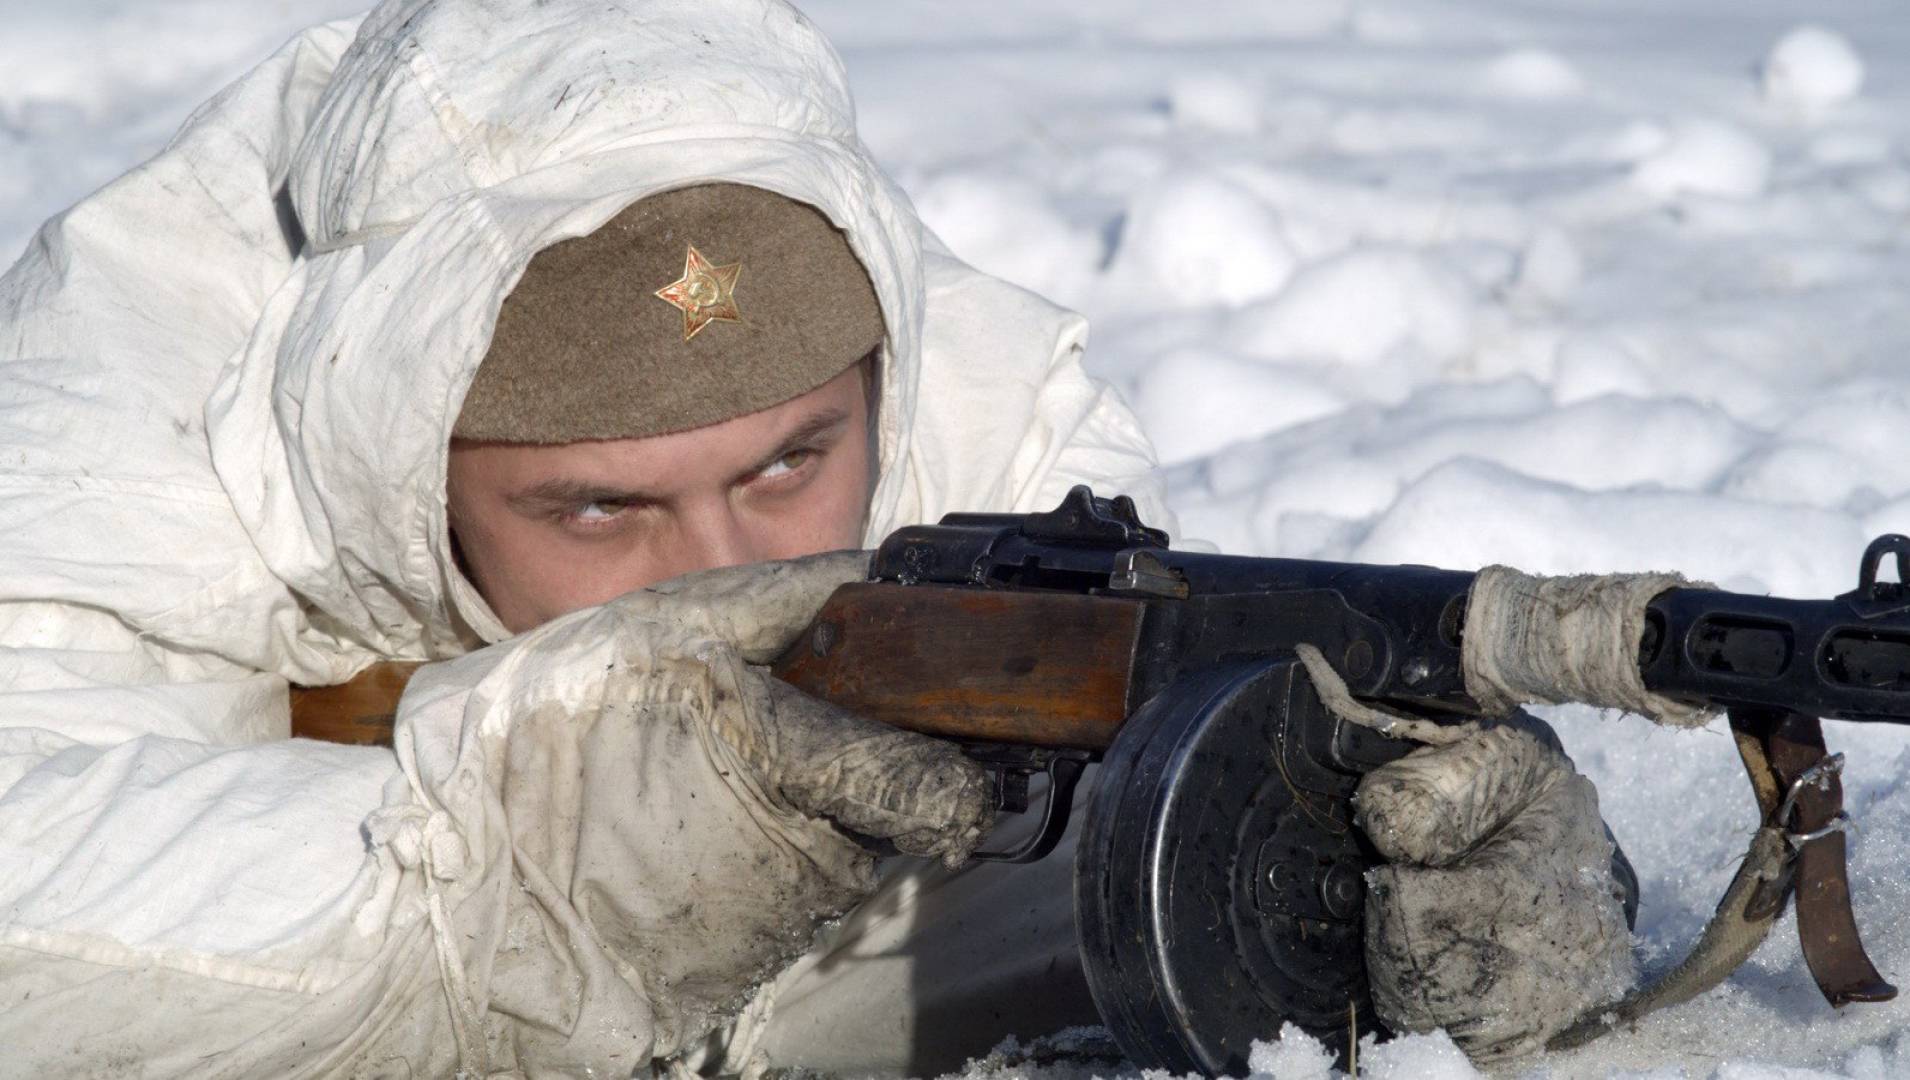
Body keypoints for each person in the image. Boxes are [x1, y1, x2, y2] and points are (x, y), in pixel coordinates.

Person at [0, 0, 1636, 1074]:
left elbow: (1077, 868)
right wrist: (547, 863)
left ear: (877, 385)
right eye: (595, 506)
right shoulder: (136, 406)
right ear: (403, 475)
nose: (713, 568)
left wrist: (1380, 899)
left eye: (792, 465)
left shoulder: (984, 428)